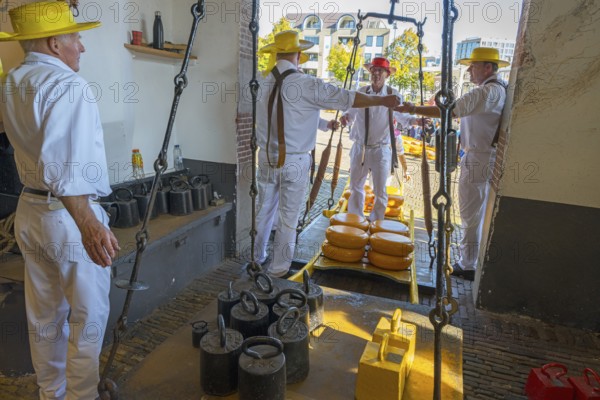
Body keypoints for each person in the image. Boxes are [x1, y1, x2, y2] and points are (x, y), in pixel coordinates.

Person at [0, 2, 119, 399]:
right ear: (55, 42)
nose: (81, 47)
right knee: (87, 319)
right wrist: (89, 224)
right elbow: (68, 171)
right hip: (66, 216)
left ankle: (51, 394)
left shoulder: (13, 79)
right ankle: (83, 396)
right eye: (76, 37)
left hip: (29, 211)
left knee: (45, 318)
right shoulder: (69, 86)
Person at [251, 31, 400, 278]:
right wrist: (382, 102)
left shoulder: (261, 80)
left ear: (276, 54)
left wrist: (323, 125)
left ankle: (256, 258)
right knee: (289, 217)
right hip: (294, 161)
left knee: (263, 210)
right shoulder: (306, 83)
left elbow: (291, 113)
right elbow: (346, 97)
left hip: (266, 158)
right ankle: (278, 270)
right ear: (299, 55)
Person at [396, 47, 508, 281]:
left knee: (470, 212)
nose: (469, 70)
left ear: (488, 67)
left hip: (479, 156)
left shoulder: (486, 92)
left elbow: (448, 111)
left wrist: (413, 108)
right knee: (477, 211)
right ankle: (471, 259)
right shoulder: (497, 90)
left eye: (473, 66)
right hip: (484, 155)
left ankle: (468, 263)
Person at [340, 57, 419, 222]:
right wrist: (345, 118)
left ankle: (377, 223)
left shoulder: (393, 95)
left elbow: (404, 117)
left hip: (381, 148)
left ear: (387, 74)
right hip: (360, 147)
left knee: (380, 190)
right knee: (356, 187)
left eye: (380, 71)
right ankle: (356, 220)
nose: (376, 73)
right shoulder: (361, 92)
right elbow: (350, 113)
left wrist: (416, 120)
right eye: (373, 70)